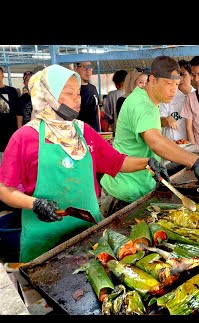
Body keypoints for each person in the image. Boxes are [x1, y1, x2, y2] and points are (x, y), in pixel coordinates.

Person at [0, 64, 167, 262]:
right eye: (69, 93)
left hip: (87, 233)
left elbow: (117, 162)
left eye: (78, 93)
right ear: (47, 95)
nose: (77, 98)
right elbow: (4, 189)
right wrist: (34, 204)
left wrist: (148, 163)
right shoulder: (25, 137)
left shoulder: (84, 132)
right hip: (44, 241)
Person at [100, 56, 199, 218]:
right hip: (123, 192)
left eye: (176, 84)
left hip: (138, 184)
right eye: (168, 83)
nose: (173, 90)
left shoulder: (147, 98)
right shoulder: (142, 105)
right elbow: (155, 141)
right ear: (153, 80)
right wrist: (195, 161)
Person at [160, 60, 194, 141]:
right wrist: (166, 120)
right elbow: (158, 121)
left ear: (191, 75)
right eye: (177, 76)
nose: (179, 79)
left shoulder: (198, 96)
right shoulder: (168, 96)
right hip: (173, 145)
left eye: (183, 74)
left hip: (195, 145)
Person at [0, 66, 21, 165]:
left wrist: (19, 129)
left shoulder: (11, 91)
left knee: (11, 158)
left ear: (2, 75)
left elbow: (18, 112)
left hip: (10, 130)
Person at [75, 62, 101, 132]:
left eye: (90, 67)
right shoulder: (74, 90)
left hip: (95, 132)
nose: (88, 71)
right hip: (81, 133)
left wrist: (99, 128)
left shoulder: (93, 88)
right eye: (84, 67)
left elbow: (97, 108)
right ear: (76, 69)